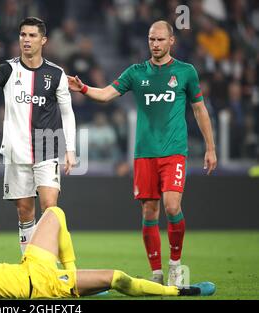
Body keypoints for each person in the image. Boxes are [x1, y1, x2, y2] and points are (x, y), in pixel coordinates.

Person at [68, 20, 217, 286]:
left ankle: (174, 266)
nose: (155, 44)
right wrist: (84, 88)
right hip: (144, 154)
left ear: (171, 41)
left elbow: (199, 110)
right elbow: (105, 95)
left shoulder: (186, 72)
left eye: (160, 39)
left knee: (172, 206)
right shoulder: (136, 73)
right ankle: (156, 272)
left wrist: (211, 147)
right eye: (151, 39)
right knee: (149, 213)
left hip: (174, 152)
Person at [0, 206, 215, 299]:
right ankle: (180, 291)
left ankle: (74, 277)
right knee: (118, 278)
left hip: (29, 268)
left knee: (55, 214)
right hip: (40, 286)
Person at [0, 17, 76, 256]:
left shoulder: (56, 74)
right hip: (16, 150)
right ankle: (29, 265)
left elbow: (67, 113)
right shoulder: (8, 69)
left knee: (51, 209)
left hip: (47, 147)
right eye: (23, 35)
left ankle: (55, 265)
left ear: (43, 40)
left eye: (32, 36)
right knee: (24, 211)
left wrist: (70, 149)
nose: (26, 40)